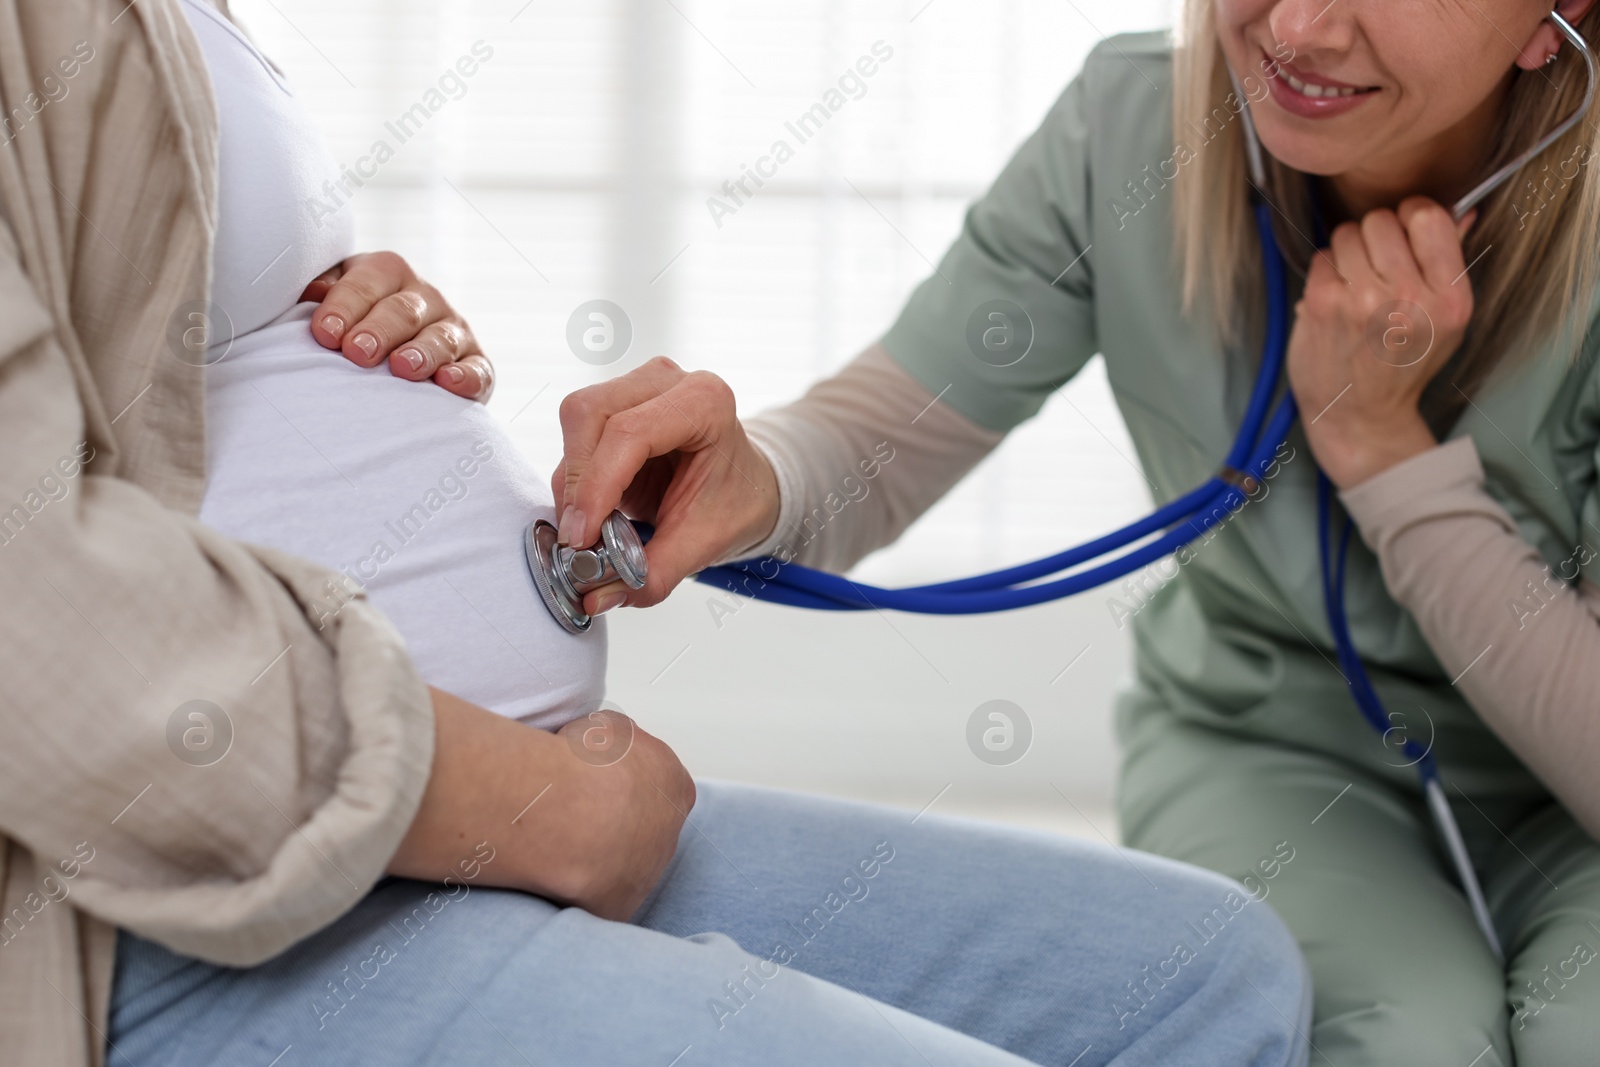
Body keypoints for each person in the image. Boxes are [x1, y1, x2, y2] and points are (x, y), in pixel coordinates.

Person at [0, 2, 1313, 1065]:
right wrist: (536, 804)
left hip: (412, 816)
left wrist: (302, 319)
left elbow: (137, 366)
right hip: (142, 900)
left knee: (1209, 976)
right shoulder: (1133, 122)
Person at [552, 1, 1600, 1063]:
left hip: (1572, 796)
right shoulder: (1132, 126)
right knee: (1396, 1045)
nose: (1298, 23)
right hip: (1268, 745)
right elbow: (882, 437)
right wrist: (751, 477)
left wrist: (1383, 451)